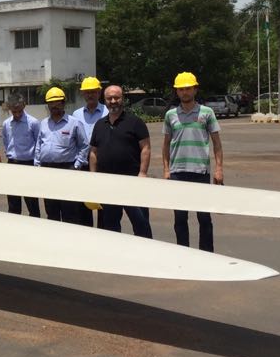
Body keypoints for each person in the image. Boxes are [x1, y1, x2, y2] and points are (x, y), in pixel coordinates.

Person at [162, 71, 223, 252]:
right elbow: (165, 145)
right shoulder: (170, 115)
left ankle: (206, 253)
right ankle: (184, 253)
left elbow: (217, 144)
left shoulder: (207, 113)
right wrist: (166, 170)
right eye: (181, 89)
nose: (185, 92)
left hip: (200, 172)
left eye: (188, 88)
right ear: (177, 92)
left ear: (195, 90)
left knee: (204, 217)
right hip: (177, 173)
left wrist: (219, 169)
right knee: (180, 218)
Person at [89, 85, 152, 238]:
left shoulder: (135, 122)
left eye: (116, 97)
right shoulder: (99, 124)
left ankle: (146, 249)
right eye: (109, 98)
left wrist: (142, 173)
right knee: (111, 226)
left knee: (141, 223)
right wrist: (93, 176)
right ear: (104, 101)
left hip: (132, 182)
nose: (113, 101)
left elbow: (146, 148)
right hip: (108, 184)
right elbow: (93, 152)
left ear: (122, 99)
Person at [34, 86, 89, 223]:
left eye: (57, 102)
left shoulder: (74, 123)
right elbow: (39, 144)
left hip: (67, 170)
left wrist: (76, 166)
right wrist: (37, 164)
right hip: (47, 170)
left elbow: (84, 145)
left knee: (69, 209)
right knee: (51, 209)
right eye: (51, 103)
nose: (54, 106)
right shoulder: (44, 123)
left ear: (63, 103)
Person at [73, 76, 108, 227]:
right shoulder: (76, 114)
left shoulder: (107, 111)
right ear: (83, 94)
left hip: (102, 161)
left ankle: (103, 232)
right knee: (83, 204)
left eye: (93, 92)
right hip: (82, 162)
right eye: (87, 92)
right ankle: (86, 232)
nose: (90, 95)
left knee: (104, 203)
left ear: (99, 92)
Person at [1, 93, 41, 217]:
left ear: (24, 106)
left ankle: (35, 224)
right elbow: (6, 142)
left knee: (32, 201)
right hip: (12, 164)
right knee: (13, 202)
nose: (17, 114)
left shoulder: (33, 122)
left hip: (29, 164)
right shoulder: (6, 124)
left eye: (19, 111)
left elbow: (38, 143)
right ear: (9, 109)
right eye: (14, 112)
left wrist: (37, 163)